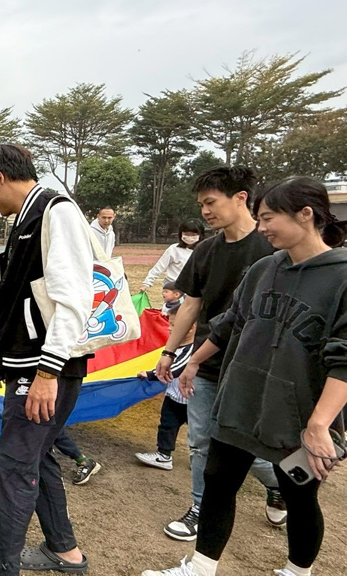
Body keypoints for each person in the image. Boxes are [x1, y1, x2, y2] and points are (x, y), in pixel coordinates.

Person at [143, 178, 347, 576]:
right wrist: (193, 361)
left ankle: (296, 572)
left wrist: (320, 425)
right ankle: (201, 568)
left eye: (269, 218)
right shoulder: (263, 268)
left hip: (299, 415)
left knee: (299, 495)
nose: (262, 226)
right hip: (240, 399)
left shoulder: (341, 278)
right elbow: (228, 324)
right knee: (218, 481)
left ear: (305, 215)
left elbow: (344, 360)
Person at [0, 144, 93, 576]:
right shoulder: (24, 218)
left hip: (46, 369)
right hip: (26, 364)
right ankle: (65, 550)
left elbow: (73, 299)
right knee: (35, 458)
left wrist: (47, 372)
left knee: (12, 464)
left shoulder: (56, 211)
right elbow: (18, 296)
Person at [152, 166, 285, 543]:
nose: (205, 211)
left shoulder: (273, 248)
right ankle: (201, 507)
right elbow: (191, 305)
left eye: (210, 202)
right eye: (201, 205)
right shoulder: (206, 251)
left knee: (245, 443)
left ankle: (279, 482)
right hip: (205, 364)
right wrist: (169, 351)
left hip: (256, 367)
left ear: (241, 198)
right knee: (201, 441)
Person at [135, 301, 194, 471]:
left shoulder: (192, 348)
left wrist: (151, 375)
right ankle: (163, 455)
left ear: (190, 328)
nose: (169, 328)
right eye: (170, 324)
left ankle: (201, 459)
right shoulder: (174, 346)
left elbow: (177, 368)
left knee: (199, 432)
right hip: (173, 396)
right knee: (167, 424)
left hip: (193, 400)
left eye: (174, 325)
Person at [140, 220, 205, 292]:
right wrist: (147, 283)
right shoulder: (174, 249)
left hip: (194, 288)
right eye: (186, 234)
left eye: (193, 235)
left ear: (200, 235)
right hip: (173, 286)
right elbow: (159, 267)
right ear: (181, 234)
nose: (190, 237)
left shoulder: (205, 251)